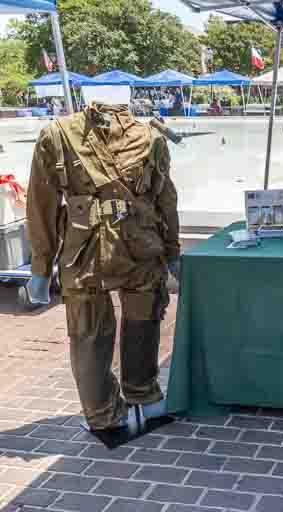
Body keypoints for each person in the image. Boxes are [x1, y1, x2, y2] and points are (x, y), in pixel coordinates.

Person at [26, 102, 180, 434]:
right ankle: (102, 412)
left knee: (145, 320)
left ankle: (144, 393)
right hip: (85, 252)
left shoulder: (151, 136)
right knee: (88, 331)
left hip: (141, 245)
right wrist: (41, 266)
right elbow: (42, 205)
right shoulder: (58, 136)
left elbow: (165, 197)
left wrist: (172, 249)